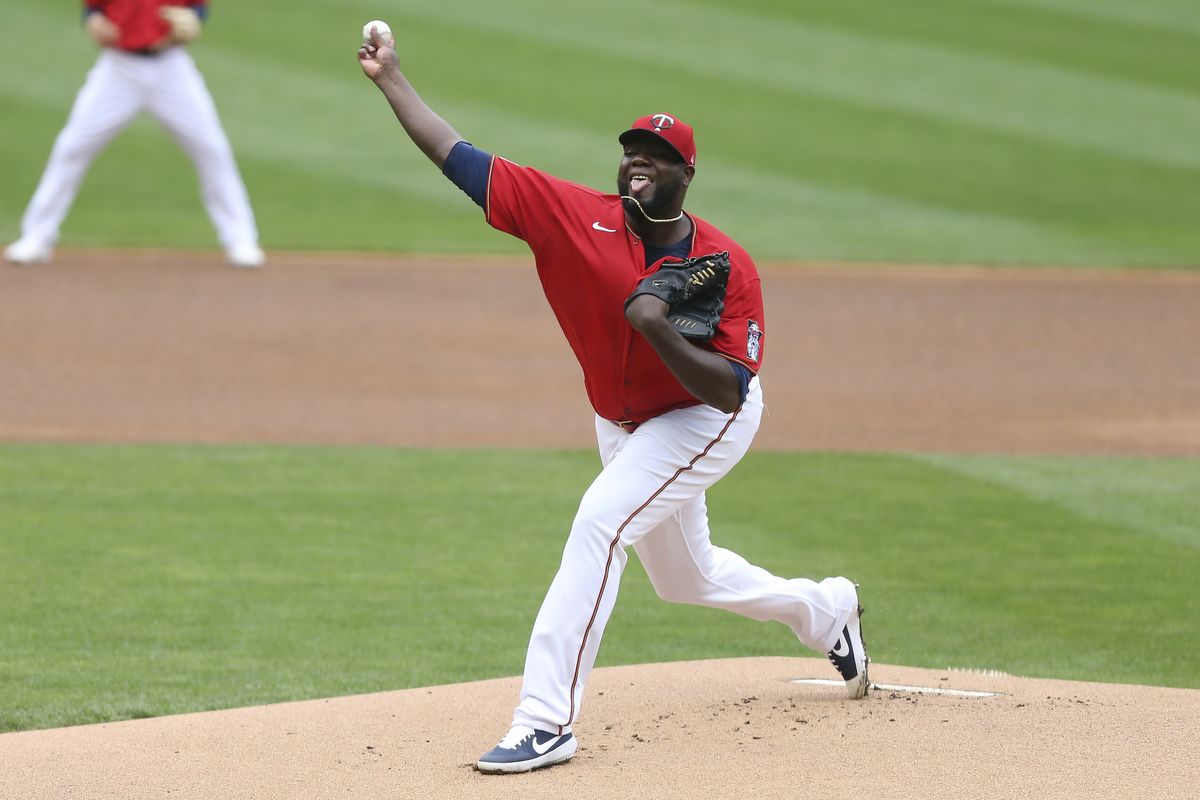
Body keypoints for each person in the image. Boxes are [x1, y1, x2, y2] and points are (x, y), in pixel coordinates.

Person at [357, 28, 870, 774]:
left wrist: (658, 327)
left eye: (656, 155)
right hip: (622, 421)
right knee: (685, 578)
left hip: (703, 419)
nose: (638, 160)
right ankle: (828, 611)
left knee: (600, 522)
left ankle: (546, 720)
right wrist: (391, 79)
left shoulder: (726, 266)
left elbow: (729, 389)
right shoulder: (573, 217)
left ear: (685, 173)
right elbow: (461, 158)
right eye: (631, 149)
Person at [4, 1, 264, 268]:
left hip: (171, 69)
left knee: (211, 150)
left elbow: (198, 8)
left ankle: (241, 239)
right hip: (118, 68)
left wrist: (194, 19)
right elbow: (93, 8)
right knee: (72, 148)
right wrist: (94, 21)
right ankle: (37, 236)